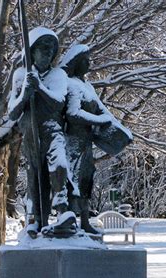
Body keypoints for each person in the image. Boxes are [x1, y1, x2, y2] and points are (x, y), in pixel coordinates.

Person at [8, 27, 77, 238]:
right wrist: (25, 94)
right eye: (43, 48)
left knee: (58, 166)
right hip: (30, 135)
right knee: (35, 178)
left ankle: (62, 211)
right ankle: (37, 219)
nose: (47, 53)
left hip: (52, 131)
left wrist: (39, 88)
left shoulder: (58, 75)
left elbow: (58, 104)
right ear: (32, 51)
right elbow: (12, 112)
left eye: (51, 49)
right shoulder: (21, 75)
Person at [62, 45, 129, 235]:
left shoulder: (88, 87)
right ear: (77, 63)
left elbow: (102, 111)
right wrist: (99, 120)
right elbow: (73, 113)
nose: (89, 64)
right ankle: (68, 221)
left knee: (86, 181)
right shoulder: (72, 85)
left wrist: (119, 130)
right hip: (74, 143)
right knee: (72, 182)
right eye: (85, 61)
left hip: (87, 144)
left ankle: (84, 221)